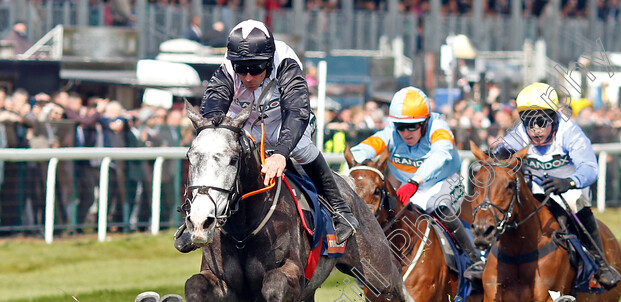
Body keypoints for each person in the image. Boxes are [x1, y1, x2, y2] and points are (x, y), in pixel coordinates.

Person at [174, 19, 358, 252]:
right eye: (242, 69)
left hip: (285, 122)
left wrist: (281, 154)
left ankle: (341, 210)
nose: (248, 76)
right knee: (219, 148)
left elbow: (297, 112)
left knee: (302, 148)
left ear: (269, 62)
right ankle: (198, 217)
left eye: (255, 69)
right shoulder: (228, 67)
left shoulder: (286, 63)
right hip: (245, 123)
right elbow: (213, 109)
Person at [349, 86, 484, 286]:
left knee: (438, 206)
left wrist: (415, 181)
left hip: (443, 181)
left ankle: (475, 260)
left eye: (413, 126)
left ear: (426, 122)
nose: (405, 132)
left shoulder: (439, 128)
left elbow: (441, 155)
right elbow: (364, 148)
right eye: (400, 127)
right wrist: (355, 160)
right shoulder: (391, 132)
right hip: (409, 186)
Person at [493, 82, 621, 289]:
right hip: (535, 188)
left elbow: (590, 168)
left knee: (576, 204)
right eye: (529, 123)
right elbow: (500, 154)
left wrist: (568, 182)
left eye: (541, 122)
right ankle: (485, 259)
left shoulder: (570, 132)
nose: (535, 130)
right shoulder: (519, 133)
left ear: (553, 118)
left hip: (569, 187)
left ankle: (601, 265)